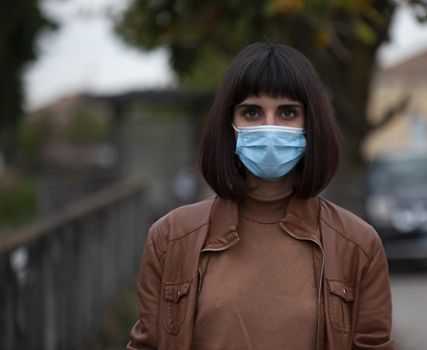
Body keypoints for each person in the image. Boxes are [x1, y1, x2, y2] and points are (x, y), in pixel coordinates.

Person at [128, 42, 394, 350]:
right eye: (252, 112)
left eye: (287, 112)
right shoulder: (171, 238)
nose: (270, 127)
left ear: (311, 125)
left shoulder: (358, 245)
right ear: (229, 125)